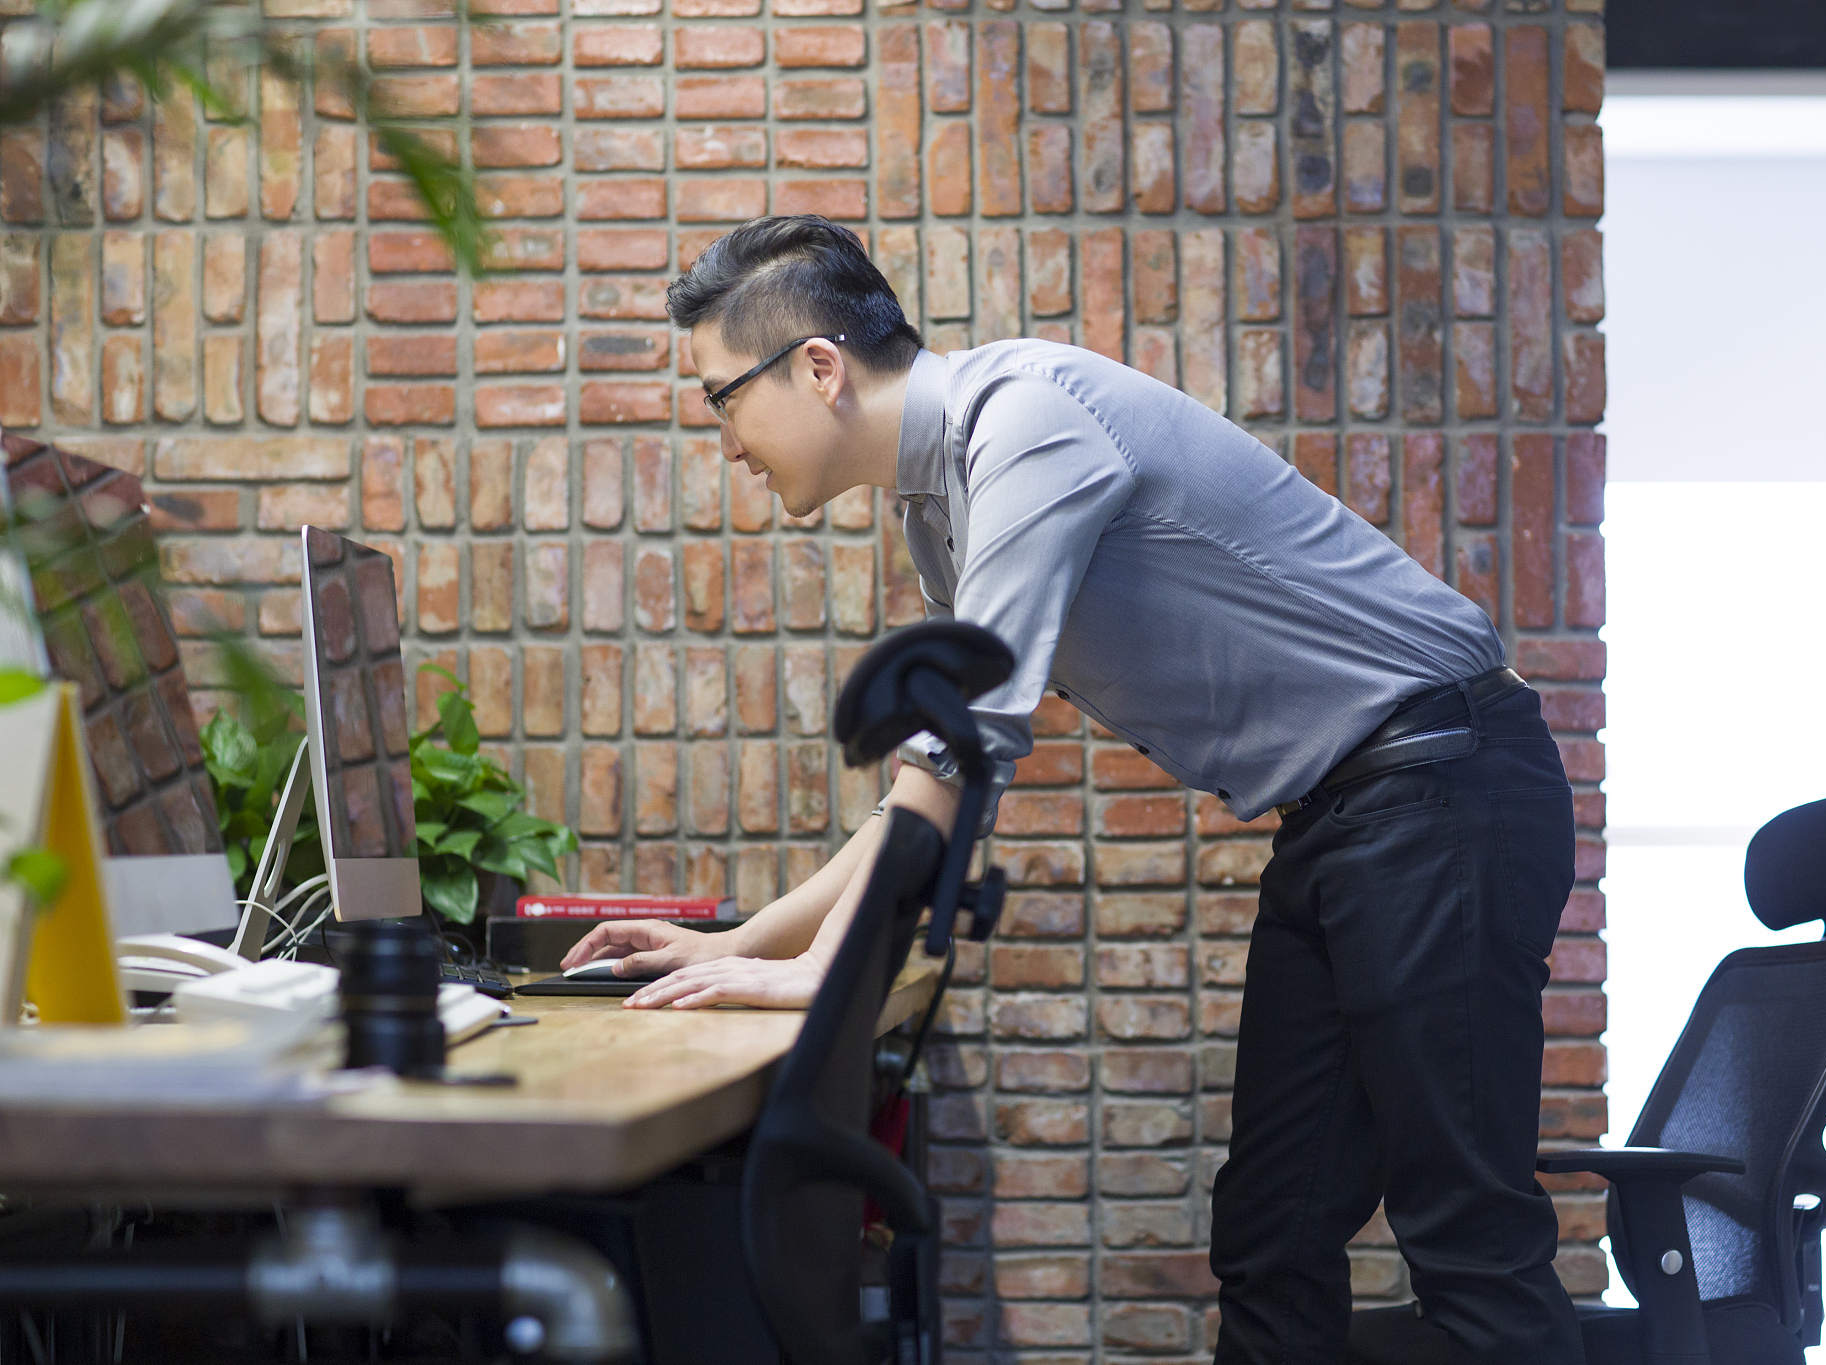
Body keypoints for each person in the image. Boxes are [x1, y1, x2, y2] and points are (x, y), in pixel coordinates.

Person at [560, 215, 1584, 1365]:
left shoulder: (1027, 423)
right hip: (1350, 814)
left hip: (1440, 783)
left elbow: (955, 754)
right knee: (1270, 1231)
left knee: (1464, 1236)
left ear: (816, 366)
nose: (727, 443)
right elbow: (927, 778)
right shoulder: (938, 507)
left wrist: (817, 972)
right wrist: (743, 944)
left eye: (718, 400)